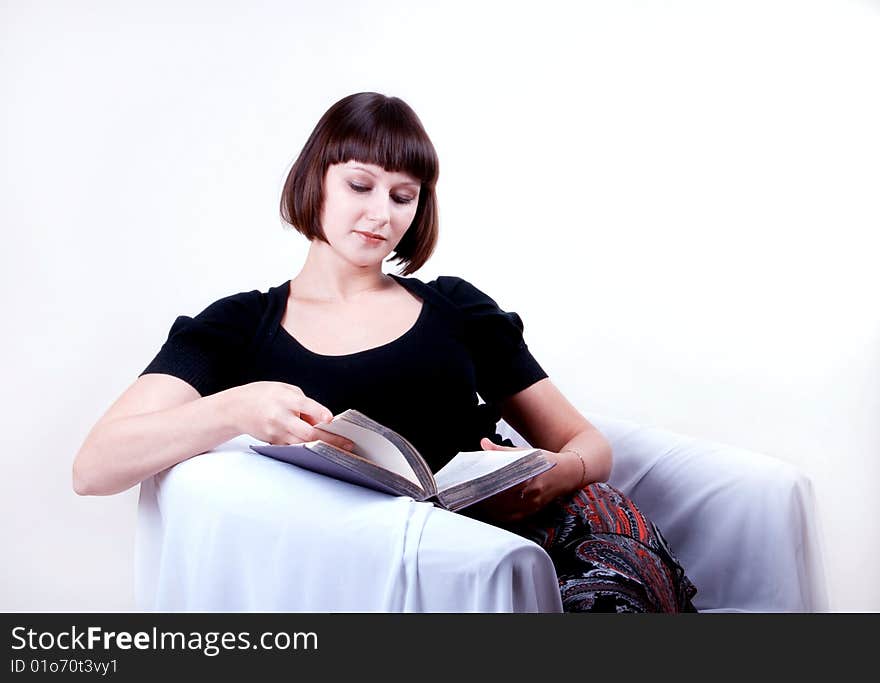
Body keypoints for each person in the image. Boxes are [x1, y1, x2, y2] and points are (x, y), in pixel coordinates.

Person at [73, 92, 697, 612]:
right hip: (410, 573)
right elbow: (94, 467)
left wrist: (554, 475)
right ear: (315, 178)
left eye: (403, 196)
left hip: (545, 535)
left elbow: (589, 444)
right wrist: (233, 408)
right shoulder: (238, 325)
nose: (380, 214)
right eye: (360, 185)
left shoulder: (457, 307)